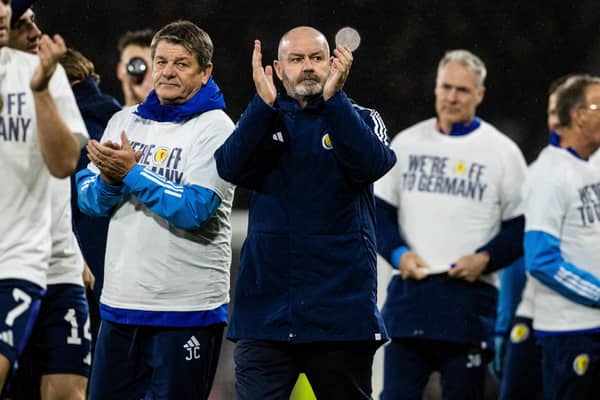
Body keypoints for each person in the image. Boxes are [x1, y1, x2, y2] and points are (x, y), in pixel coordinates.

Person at [215, 26, 396, 399]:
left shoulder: (361, 116)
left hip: (340, 318)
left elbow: (373, 163)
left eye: (316, 58)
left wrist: (335, 101)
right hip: (266, 317)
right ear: (278, 70)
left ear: (333, 63)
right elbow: (229, 167)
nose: (307, 67)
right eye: (296, 60)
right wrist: (261, 107)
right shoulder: (263, 120)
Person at [76, 20, 235, 400]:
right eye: (160, 61)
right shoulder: (124, 120)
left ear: (205, 71)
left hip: (186, 311)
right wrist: (109, 182)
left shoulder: (216, 128)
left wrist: (131, 173)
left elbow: (194, 209)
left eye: (181, 63)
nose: (166, 71)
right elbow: (88, 200)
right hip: (119, 309)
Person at [374, 50, 527, 400]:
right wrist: (398, 254)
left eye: (462, 90)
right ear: (435, 88)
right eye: (446, 87)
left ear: (479, 95)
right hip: (411, 298)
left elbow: (520, 229)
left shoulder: (502, 153)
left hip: (470, 304)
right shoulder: (408, 143)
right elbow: (379, 213)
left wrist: (485, 259)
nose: (452, 97)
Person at [5, 8, 93, 400]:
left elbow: (63, 166)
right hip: (12, 259)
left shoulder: (47, 76)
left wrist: (40, 91)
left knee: (67, 393)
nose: (34, 32)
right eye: (21, 24)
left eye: (32, 20)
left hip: (55, 265)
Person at [523, 74, 600, 399]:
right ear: (579, 115)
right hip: (570, 332)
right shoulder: (550, 174)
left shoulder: (588, 169)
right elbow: (541, 260)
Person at [494, 76, 571, 400]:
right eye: (554, 110)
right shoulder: (538, 173)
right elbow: (520, 255)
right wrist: (503, 325)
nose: (559, 119)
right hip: (536, 318)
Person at [61, 48, 122, 345]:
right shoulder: (116, 120)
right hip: (119, 280)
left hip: (79, 274)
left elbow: (64, 206)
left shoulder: (68, 130)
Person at [116, 28, 154, 107]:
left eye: (156, 67)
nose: (149, 77)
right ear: (120, 70)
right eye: (136, 66)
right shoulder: (105, 118)